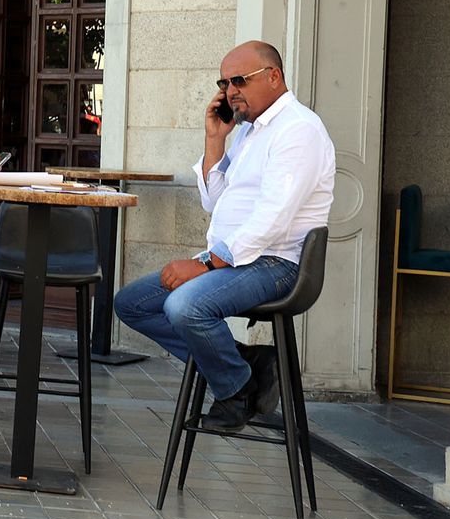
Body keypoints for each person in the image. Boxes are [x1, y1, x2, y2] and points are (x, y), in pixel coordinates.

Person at [115, 41, 335, 432]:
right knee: (132, 304)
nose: (230, 91)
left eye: (239, 80)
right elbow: (215, 200)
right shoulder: (249, 132)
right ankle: (245, 368)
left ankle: (234, 391)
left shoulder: (298, 130)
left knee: (185, 306)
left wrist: (203, 264)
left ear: (273, 76)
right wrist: (215, 139)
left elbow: (274, 220)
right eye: (225, 82)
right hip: (237, 260)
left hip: (278, 263)